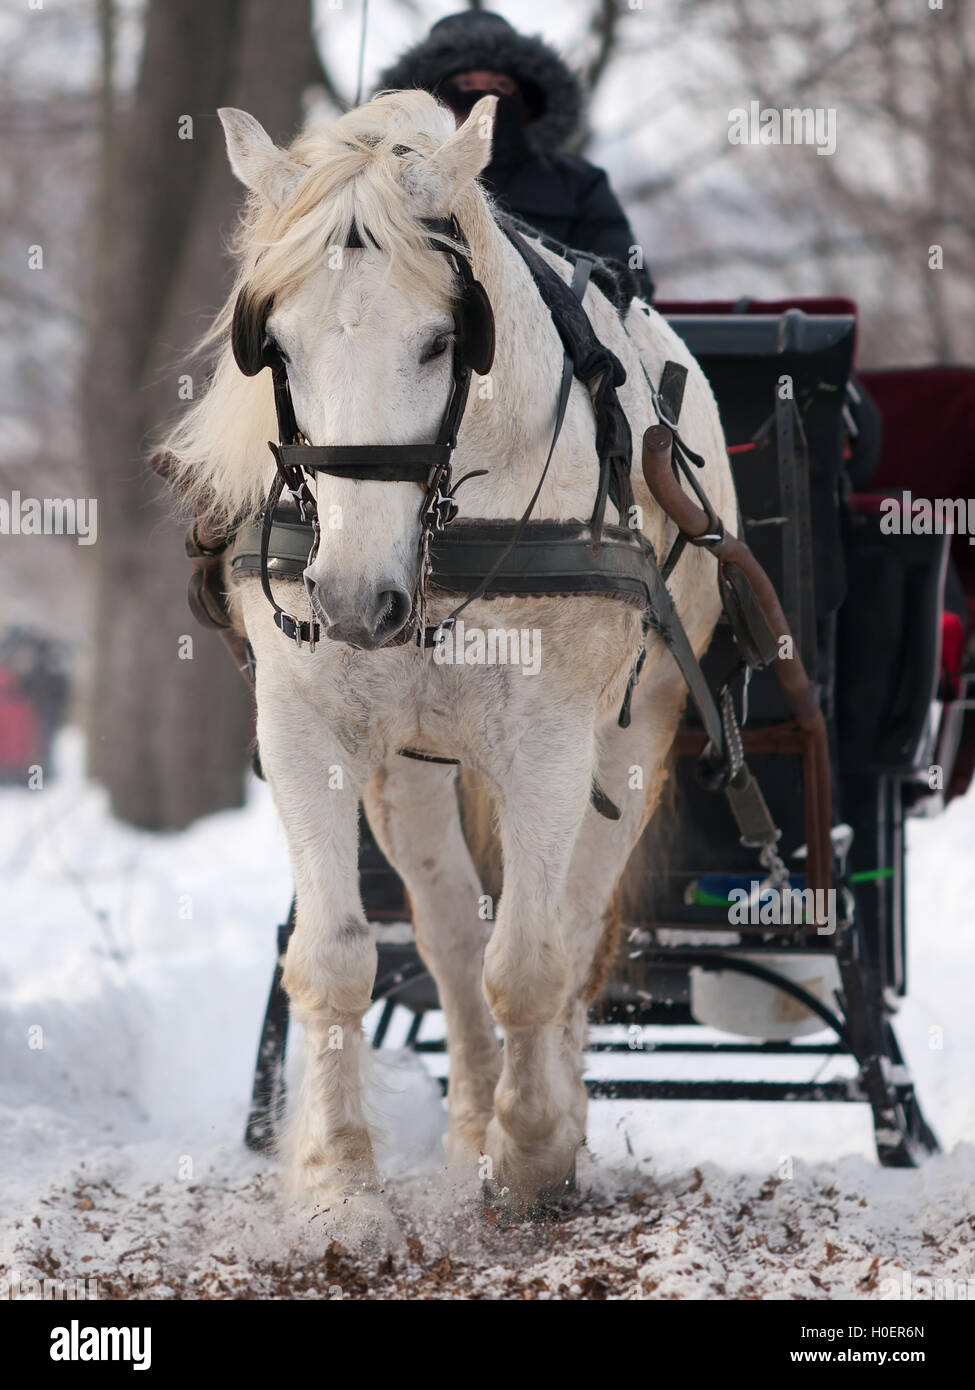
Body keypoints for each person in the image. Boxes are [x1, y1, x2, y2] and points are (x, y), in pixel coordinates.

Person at [377, 10, 654, 301]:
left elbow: (628, 281)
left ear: (524, 103)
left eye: (499, 86)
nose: (482, 100)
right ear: (432, 101)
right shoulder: (388, 183)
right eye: (466, 86)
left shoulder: (578, 184)